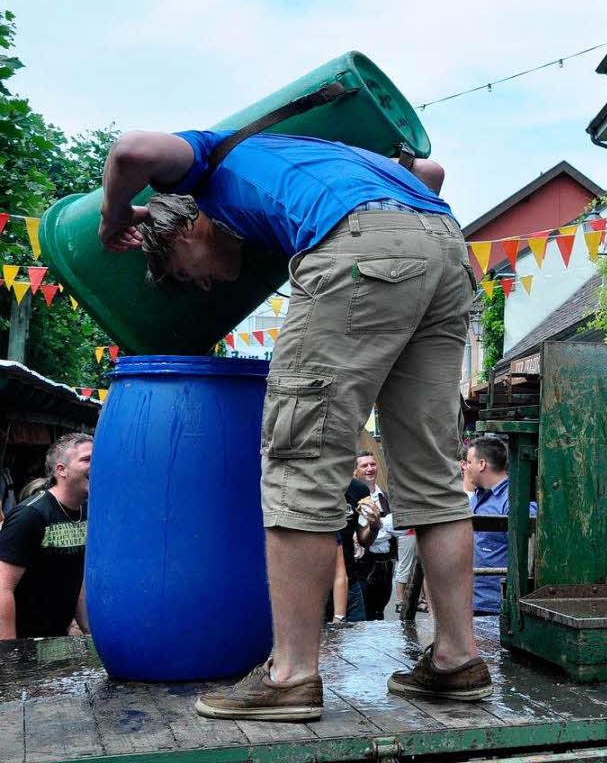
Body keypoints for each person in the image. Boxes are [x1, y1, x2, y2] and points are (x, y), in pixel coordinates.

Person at [100, 128, 491, 718]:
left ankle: (290, 677)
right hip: (447, 250)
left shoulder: (204, 169)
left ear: (180, 225)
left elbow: (131, 151)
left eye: (184, 272)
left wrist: (111, 217)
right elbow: (430, 174)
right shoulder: (325, 153)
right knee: (433, 472)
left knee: (299, 460)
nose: (203, 285)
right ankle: (457, 661)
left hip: (362, 253)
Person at [0, 434, 92, 638]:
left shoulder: (84, 514)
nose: (97, 466)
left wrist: (89, 632)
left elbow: (75, 579)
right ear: (62, 470)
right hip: (22, 643)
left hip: (54, 641)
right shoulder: (30, 515)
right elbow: (2, 587)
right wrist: (8, 652)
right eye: (87, 460)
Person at [464, 437, 536, 615]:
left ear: (481, 464)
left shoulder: (515, 501)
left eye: (469, 462)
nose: (465, 467)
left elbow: (529, 552)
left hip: (496, 606)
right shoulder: (476, 498)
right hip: (472, 601)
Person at [352, 452, 399, 621]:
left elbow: (399, 529)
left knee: (380, 613)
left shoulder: (385, 496)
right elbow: (359, 537)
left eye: (372, 464)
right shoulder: (352, 498)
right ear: (355, 471)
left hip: (385, 566)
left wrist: (378, 525)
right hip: (364, 566)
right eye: (364, 466)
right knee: (365, 615)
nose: (370, 469)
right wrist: (384, 526)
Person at [330, 479, 380, 625]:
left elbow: (364, 540)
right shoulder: (316, 487)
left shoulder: (359, 490)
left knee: (356, 643)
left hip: (350, 581)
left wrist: (374, 525)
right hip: (316, 587)